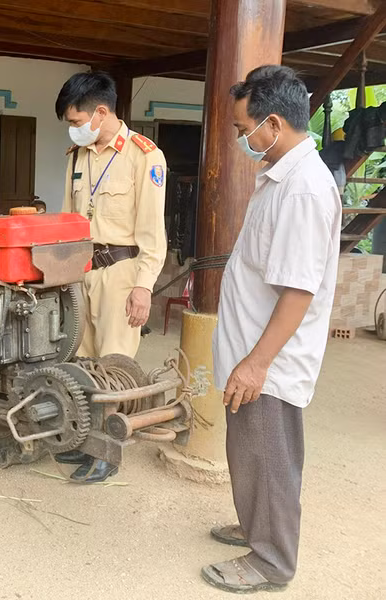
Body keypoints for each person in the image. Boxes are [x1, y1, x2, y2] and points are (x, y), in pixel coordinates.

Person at [202, 65, 341, 593]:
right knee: (252, 451)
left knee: (269, 456)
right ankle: (256, 527)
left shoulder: (303, 190)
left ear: (275, 124)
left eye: (244, 129)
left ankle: (271, 562)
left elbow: (298, 291)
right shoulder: (282, 176)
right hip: (253, 351)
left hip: (270, 362)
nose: (242, 139)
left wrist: (257, 363)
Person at [54, 72, 167, 483]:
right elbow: (68, 220)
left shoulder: (144, 156)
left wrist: (143, 286)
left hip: (122, 272)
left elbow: (153, 232)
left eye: (76, 120)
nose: (73, 128)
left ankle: (107, 454)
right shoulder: (76, 156)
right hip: (83, 271)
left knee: (114, 365)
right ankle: (86, 440)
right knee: (81, 362)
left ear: (100, 113)